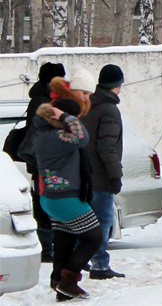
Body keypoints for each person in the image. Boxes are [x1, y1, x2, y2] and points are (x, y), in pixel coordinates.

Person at [31, 82, 103, 300]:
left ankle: (60, 287)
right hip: (65, 198)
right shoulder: (57, 137)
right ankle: (69, 282)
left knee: (64, 241)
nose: (76, 122)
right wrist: (66, 117)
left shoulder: (43, 135)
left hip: (52, 198)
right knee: (93, 238)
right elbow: (82, 137)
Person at [81, 64, 125, 280]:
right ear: (117, 85)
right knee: (103, 219)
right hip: (100, 176)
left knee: (86, 220)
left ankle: (82, 260)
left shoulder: (89, 105)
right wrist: (115, 175)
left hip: (85, 173)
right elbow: (107, 146)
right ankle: (99, 264)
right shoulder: (109, 109)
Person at [21, 61, 66, 262]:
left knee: (43, 201)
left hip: (40, 161)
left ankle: (49, 246)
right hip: (45, 161)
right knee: (46, 202)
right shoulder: (44, 102)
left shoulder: (38, 98)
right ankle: (48, 248)